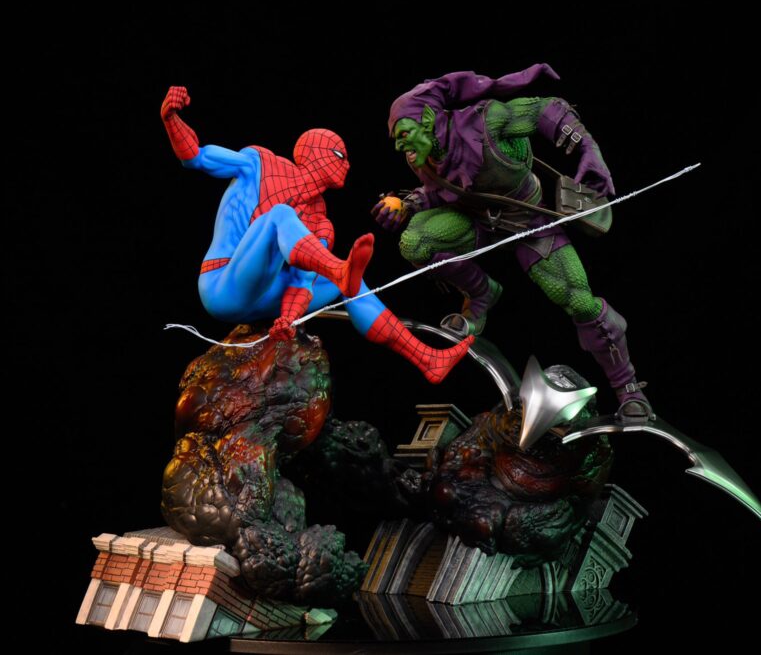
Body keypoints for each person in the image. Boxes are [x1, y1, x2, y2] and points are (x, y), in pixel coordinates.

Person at [371, 65, 651, 419]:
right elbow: (441, 191)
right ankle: (481, 295)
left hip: (527, 222)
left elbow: (547, 109)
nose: (400, 145)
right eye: (396, 139)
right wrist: (407, 204)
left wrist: (589, 151)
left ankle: (628, 389)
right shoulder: (423, 156)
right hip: (476, 221)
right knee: (416, 242)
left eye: (404, 133)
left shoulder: (487, 122)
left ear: (427, 120)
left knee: (579, 300)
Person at [161, 86, 472, 384]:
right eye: (341, 155)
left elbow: (302, 282)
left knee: (351, 284)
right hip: (222, 285)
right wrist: (171, 119)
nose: (347, 164)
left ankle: (427, 358)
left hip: (262, 298)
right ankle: (339, 271)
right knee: (282, 217)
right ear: (314, 152)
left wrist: (288, 318)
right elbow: (196, 156)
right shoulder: (259, 164)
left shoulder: (320, 222)